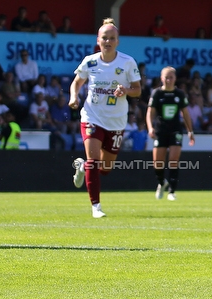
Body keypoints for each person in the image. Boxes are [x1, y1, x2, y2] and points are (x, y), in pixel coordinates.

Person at [68, 18, 142, 218]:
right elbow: (76, 82)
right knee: (93, 159)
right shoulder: (90, 61)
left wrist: (126, 90)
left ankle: (83, 167)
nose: (108, 41)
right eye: (104, 38)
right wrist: (74, 97)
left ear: (117, 41)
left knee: (106, 168)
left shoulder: (127, 62)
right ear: (98, 40)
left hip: (116, 121)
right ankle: (96, 207)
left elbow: (138, 90)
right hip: (92, 116)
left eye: (112, 38)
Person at [146, 66, 195, 201]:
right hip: (160, 131)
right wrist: (150, 128)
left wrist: (190, 131)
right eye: (166, 77)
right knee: (158, 163)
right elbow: (150, 113)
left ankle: (172, 191)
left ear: (175, 79)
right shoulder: (157, 94)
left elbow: (185, 114)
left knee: (173, 160)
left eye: (171, 77)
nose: (168, 80)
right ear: (161, 78)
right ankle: (162, 183)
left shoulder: (179, 94)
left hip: (175, 130)